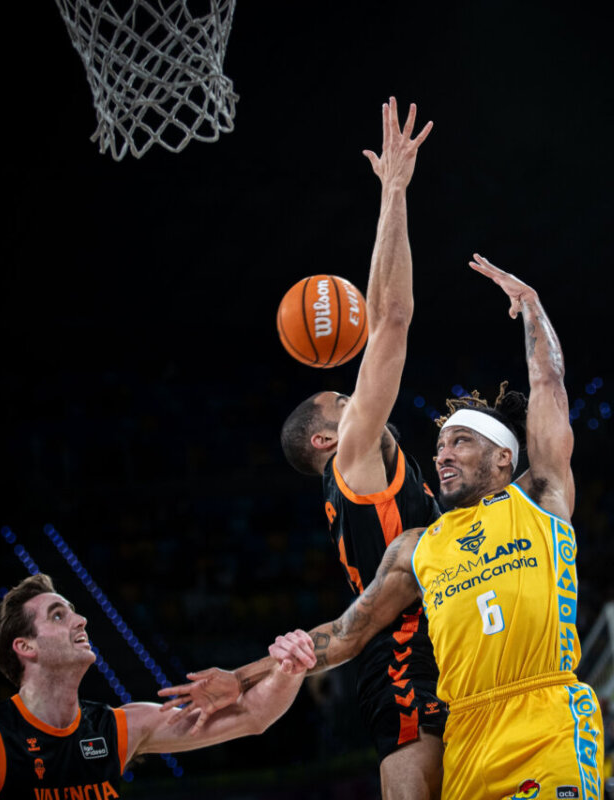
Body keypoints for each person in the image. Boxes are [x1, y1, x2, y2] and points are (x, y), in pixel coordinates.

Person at [162, 257, 603, 799]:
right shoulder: (416, 547)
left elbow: (548, 383)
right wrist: (242, 677)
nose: (442, 454)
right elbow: (345, 635)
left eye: (460, 442)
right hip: (464, 733)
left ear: (503, 461)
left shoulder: (541, 500)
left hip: (544, 717)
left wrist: (532, 307)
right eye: (439, 446)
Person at [225, 96, 444, 799]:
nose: (358, 398)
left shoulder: (364, 466)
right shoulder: (355, 462)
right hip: (411, 664)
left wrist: (245, 675)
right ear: (326, 437)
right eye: (343, 401)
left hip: (431, 648)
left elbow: (382, 322)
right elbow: (393, 321)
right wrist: (394, 194)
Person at [0, 573, 313, 800]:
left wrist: (289, 667)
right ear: (25, 647)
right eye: (58, 615)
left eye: (74, 610)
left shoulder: (118, 727)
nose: (81, 620)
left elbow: (253, 717)